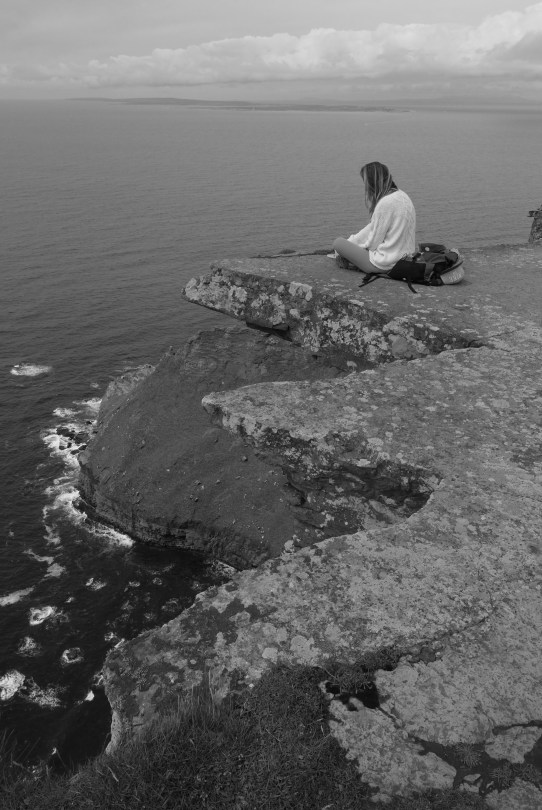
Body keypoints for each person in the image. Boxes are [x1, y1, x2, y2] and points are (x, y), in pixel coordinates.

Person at [331, 161, 416, 274]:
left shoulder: (385, 203)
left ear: (372, 182)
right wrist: (352, 242)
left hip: (384, 265)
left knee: (338, 243)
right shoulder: (402, 196)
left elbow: (372, 244)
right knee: (346, 243)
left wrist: (353, 248)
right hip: (405, 259)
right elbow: (372, 227)